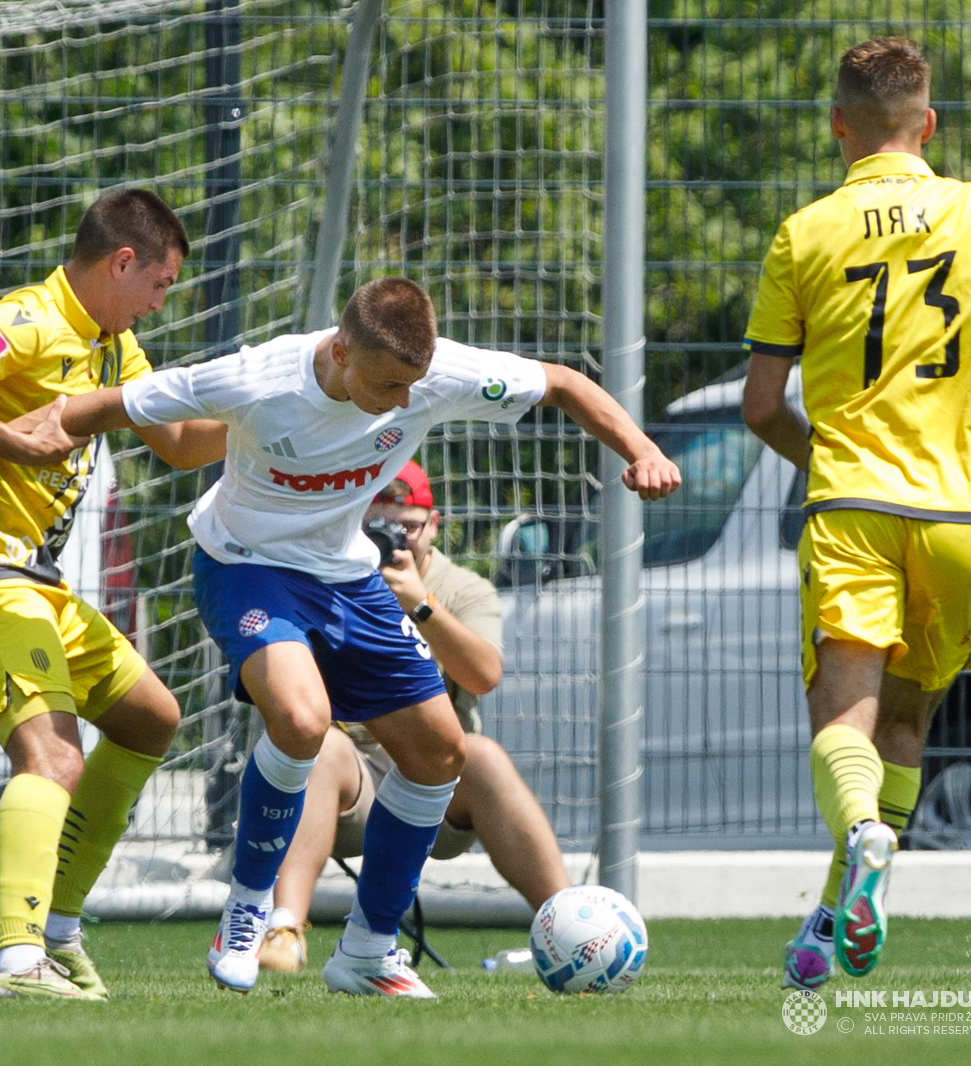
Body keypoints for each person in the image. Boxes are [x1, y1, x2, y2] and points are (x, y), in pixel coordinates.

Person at [47, 277, 680, 998]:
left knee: (441, 752)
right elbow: (103, 407)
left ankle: (369, 951)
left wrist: (641, 448)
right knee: (301, 719)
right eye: (387, 385)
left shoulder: (432, 376)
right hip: (248, 566)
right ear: (341, 351)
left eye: (413, 385)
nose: (404, 402)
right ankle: (247, 910)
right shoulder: (263, 376)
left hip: (347, 577)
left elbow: (564, 384)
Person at [741, 37, 971, 992]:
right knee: (906, 722)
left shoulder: (804, 232)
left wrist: (830, 459)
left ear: (837, 127)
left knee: (841, 722)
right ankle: (830, 924)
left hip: (853, 504)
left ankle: (861, 838)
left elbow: (762, 407)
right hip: (963, 517)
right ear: (928, 125)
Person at [0, 189, 226, 1002]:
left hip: (38, 584)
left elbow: (175, 444)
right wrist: (7, 444)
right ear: (123, 262)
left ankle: (59, 930)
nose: (159, 303)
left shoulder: (115, 346)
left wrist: (265, 421)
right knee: (54, 756)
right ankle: (15, 959)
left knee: (152, 717)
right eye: (161, 285)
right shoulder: (31, 317)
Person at [256, 459, 571, 973]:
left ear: (434, 524)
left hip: (437, 781)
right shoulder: (322, 576)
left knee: (484, 757)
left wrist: (418, 603)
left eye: (406, 525)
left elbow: (484, 675)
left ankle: (571, 928)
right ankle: (283, 929)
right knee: (323, 750)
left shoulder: (462, 588)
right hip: (347, 782)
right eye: (373, 524)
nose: (391, 538)